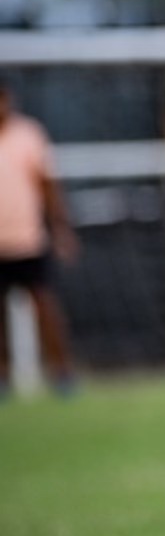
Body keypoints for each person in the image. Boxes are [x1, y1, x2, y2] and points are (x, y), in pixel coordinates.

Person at [0, 77, 78, 396]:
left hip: (29, 239)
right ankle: (3, 377)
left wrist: (60, 229)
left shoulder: (28, 135)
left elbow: (48, 186)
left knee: (45, 306)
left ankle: (62, 374)